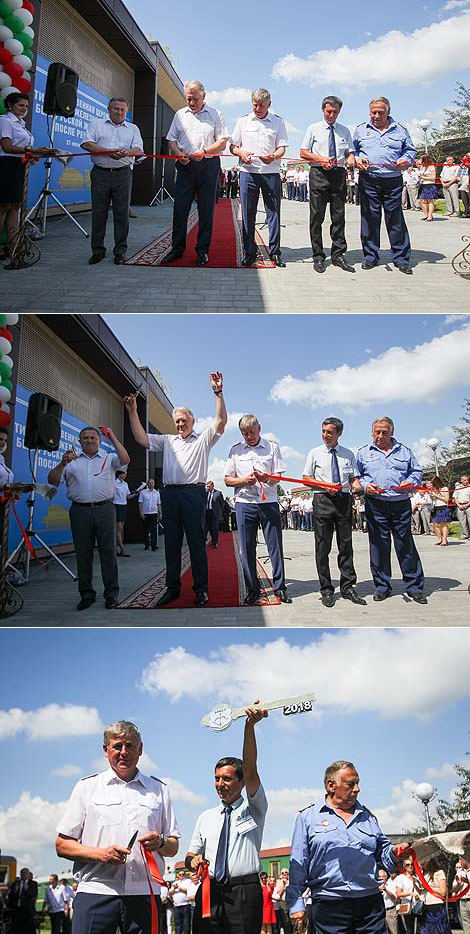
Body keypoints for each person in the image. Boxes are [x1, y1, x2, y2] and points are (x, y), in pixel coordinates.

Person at [55, 719, 180, 934]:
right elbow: (62, 845)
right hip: (96, 892)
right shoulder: (87, 787)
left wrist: (160, 841)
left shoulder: (159, 790)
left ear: (140, 749)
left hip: (144, 894)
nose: (124, 752)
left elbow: (173, 846)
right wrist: (101, 854)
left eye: (130, 745)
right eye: (117, 746)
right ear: (105, 750)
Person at [124, 373, 227, 607]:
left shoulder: (203, 440)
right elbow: (141, 438)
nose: (180, 424)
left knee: (196, 545)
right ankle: (172, 588)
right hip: (169, 495)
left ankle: (200, 590)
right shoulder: (167, 441)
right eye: (177, 421)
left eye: (184, 420)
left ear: (192, 421)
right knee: (171, 544)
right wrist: (132, 411)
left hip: (193, 495)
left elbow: (220, 422)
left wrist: (217, 392)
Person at [287, 760, 405, 934]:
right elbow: (298, 863)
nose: (357, 789)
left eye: (358, 783)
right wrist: (297, 904)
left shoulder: (368, 817)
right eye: (351, 784)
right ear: (331, 785)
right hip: (329, 906)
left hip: (369, 906)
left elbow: (384, 854)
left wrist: (396, 852)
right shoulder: (307, 818)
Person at [185, 700, 269, 934]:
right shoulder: (206, 817)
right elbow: (191, 854)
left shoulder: (254, 808)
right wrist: (193, 862)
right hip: (210, 891)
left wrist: (249, 727)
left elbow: (251, 768)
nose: (220, 784)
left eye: (227, 779)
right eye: (217, 779)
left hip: (244, 893)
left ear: (242, 782)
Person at [48, 425, 130, 611]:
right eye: (85, 438)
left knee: (108, 553)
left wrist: (113, 436)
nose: (89, 440)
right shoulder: (71, 462)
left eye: (93, 437)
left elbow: (126, 459)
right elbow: (52, 480)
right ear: (80, 441)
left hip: (105, 509)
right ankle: (86, 594)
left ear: (100, 441)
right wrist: (62, 464)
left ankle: (111, 594)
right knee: (83, 553)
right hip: (80, 511)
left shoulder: (109, 459)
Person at [356, 416, 427, 603]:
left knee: (405, 544)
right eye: (376, 432)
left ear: (392, 432)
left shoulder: (404, 451)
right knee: (379, 546)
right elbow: (358, 476)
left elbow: (417, 472)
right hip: (376, 504)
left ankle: (414, 586)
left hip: (400, 503)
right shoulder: (363, 453)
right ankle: (382, 586)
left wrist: (410, 482)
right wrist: (366, 485)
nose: (380, 436)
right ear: (372, 433)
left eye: (384, 432)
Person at [224, 415, 292, 604]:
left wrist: (266, 478)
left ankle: (279, 587)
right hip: (245, 503)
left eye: (252, 432)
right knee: (247, 548)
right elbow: (228, 479)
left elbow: (278, 477)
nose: (249, 436)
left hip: (268, 502)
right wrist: (243, 481)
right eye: (245, 433)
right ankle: (253, 589)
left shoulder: (272, 447)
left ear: (259, 428)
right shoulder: (235, 450)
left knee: (275, 547)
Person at [164, 80, 229, 266]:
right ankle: (177, 249)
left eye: (195, 99)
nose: (192, 103)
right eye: (188, 99)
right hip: (185, 166)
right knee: (180, 210)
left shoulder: (216, 114)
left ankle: (202, 251)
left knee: (206, 211)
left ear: (204, 96)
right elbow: (172, 140)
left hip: (208, 166)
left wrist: (206, 152)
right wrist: (178, 154)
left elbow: (223, 141)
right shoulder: (180, 115)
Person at [303, 417, 365, 607]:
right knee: (323, 547)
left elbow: (354, 478)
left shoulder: (348, 454)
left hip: (343, 500)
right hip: (322, 500)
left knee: (346, 545)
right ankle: (326, 589)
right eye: (323, 431)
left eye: (329, 432)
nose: (325, 435)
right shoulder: (315, 453)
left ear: (339, 433)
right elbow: (306, 478)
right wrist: (324, 485)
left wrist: (357, 487)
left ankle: (347, 587)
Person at [353, 96, 416, 274]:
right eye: (373, 112)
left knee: (395, 219)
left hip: (392, 180)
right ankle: (371, 256)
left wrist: (405, 159)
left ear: (388, 112)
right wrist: (358, 158)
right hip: (369, 179)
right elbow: (353, 150)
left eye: (381, 112)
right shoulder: (360, 130)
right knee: (370, 219)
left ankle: (401, 258)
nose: (377, 115)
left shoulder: (400, 130)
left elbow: (410, 150)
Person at [81, 97, 144, 265]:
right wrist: (107, 152)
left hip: (123, 174)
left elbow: (138, 148)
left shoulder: (132, 128)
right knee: (98, 213)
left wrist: (127, 152)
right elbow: (87, 144)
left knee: (121, 214)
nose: (119, 112)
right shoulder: (97, 124)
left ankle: (120, 251)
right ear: (109, 109)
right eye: (116, 109)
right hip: (100, 173)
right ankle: (97, 250)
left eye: (123, 110)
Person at [230, 88, 288, 267]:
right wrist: (241, 153)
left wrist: (274, 156)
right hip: (248, 173)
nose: (258, 108)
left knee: (274, 214)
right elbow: (232, 146)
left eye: (261, 105)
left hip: (270, 174)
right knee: (248, 214)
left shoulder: (278, 122)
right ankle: (249, 251)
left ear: (269, 104)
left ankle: (275, 252)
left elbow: (282, 147)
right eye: (255, 104)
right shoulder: (243, 121)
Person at [300, 95, 356, 274]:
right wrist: (319, 159)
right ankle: (318, 255)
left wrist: (351, 158)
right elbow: (303, 152)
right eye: (329, 111)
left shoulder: (344, 130)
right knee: (317, 217)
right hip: (318, 173)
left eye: (335, 112)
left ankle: (338, 254)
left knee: (338, 216)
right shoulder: (313, 129)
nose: (332, 115)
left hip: (338, 175)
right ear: (323, 110)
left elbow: (349, 152)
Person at [0, 92, 49, 260]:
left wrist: (32, 156)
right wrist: (33, 151)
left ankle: (14, 246)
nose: (24, 109)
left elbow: (23, 148)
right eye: (21, 105)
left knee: (15, 207)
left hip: (19, 166)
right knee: (3, 207)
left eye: (27, 106)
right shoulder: (5, 121)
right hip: (6, 165)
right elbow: (7, 147)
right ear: (10, 105)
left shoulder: (21, 124)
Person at [415, 859, 451, 934]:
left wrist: (428, 887)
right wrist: (415, 884)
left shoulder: (439, 873)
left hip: (436, 905)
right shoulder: (426, 875)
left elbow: (443, 891)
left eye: (423, 862)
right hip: (426, 905)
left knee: (439, 930)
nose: (422, 864)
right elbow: (422, 892)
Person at [113, 470, 139, 557]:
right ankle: (122, 548)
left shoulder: (125, 484)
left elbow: (127, 497)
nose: (125, 475)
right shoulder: (114, 483)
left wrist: (135, 494)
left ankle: (116, 548)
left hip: (123, 506)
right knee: (118, 528)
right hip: (116, 505)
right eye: (124, 474)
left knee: (121, 528)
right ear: (120, 474)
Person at [6, 867, 38, 934]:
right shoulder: (16, 883)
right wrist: (15, 891)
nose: (24, 875)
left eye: (26, 873)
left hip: (28, 910)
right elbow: (10, 896)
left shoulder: (33, 884)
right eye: (22, 873)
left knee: (28, 928)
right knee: (17, 928)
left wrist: (27, 890)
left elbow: (33, 895)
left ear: (28, 875)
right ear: (20, 874)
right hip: (18, 909)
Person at [395, 857, 420, 934]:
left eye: (412, 864)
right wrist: (410, 893)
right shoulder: (400, 878)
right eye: (407, 865)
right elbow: (398, 893)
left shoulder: (417, 877)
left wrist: (415, 885)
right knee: (409, 930)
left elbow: (420, 891)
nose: (410, 866)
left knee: (420, 929)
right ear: (404, 866)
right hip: (408, 907)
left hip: (418, 906)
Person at [138, 478, 162, 551]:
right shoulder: (143, 492)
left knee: (153, 530)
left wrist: (160, 513)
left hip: (154, 513)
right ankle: (146, 544)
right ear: (147, 484)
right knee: (145, 530)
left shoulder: (157, 493)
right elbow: (140, 503)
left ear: (154, 484)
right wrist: (141, 513)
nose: (151, 484)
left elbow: (159, 504)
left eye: (152, 483)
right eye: (149, 483)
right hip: (145, 513)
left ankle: (154, 545)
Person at [428, 476, 451, 546]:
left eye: (433, 484)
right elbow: (432, 500)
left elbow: (446, 499)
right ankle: (440, 539)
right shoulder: (433, 489)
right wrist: (431, 496)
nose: (432, 485)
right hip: (435, 507)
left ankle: (444, 540)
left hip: (442, 507)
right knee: (434, 524)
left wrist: (437, 496)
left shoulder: (444, 488)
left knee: (444, 524)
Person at [452, 856, 470, 934]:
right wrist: (458, 884)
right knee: (466, 925)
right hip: (462, 901)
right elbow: (454, 889)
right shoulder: (459, 871)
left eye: (461, 859)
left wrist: (468, 882)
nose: (459, 861)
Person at [205, 480, 225, 548]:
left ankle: (215, 542)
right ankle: (212, 540)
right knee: (209, 528)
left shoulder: (218, 493)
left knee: (214, 528)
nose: (208, 488)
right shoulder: (206, 493)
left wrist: (219, 511)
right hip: (207, 512)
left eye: (209, 486)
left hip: (214, 513)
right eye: (207, 486)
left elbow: (222, 503)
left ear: (213, 486)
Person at [418, 155, 437, 222]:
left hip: (429, 185)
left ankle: (430, 215)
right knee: (422, 201)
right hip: (423, 184)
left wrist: (424, 178)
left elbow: (433, 177)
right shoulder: (422, 167)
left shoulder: (431, 167)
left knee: (430, 200)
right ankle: (425, 215)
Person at [453, 475, 470, 540]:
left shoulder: (469, 487)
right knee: (462, 521)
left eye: (467, 480)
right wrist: (458, 505)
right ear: (461, 480)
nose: (466, 481)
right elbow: (455, 497)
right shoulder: (458, 488)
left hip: (468, 505)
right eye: (464, 480)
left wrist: (467, 505)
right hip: (460, 505)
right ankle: (465, 534)